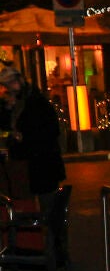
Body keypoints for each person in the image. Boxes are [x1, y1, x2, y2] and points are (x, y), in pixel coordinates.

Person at [0, 66, 65, 206]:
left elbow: (49, 131)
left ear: (20, 80)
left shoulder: (36, 101)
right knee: (29, 203)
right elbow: (5, 124)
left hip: (42, 162)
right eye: (6, 84)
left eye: (12, 82)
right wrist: (7, 109)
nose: (10, 87)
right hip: (25, 165)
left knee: (47, 205)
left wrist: (24, 137)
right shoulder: (13, 102)